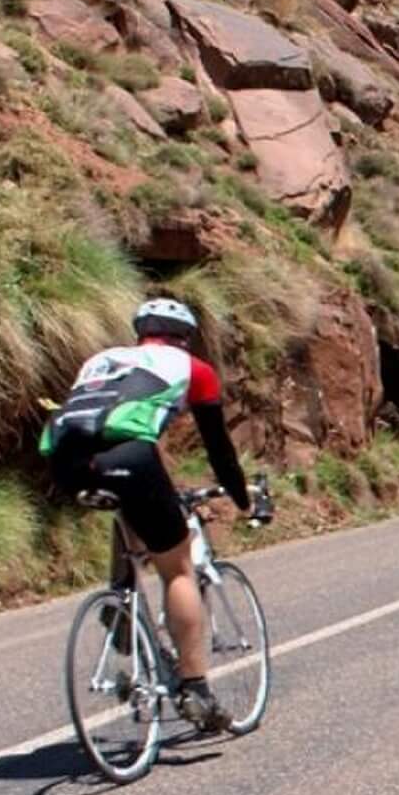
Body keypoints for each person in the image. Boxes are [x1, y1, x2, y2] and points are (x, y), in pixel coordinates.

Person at [43, 299, 259, 733]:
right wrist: (242, 498)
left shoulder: (102, 359)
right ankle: (195, 690)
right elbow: (219, 446)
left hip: (64, 460)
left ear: (142, 331)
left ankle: (120, 604)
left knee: (129, 512)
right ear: (186, 336)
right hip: (131, 458)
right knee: (177, 568)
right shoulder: (192, 368)